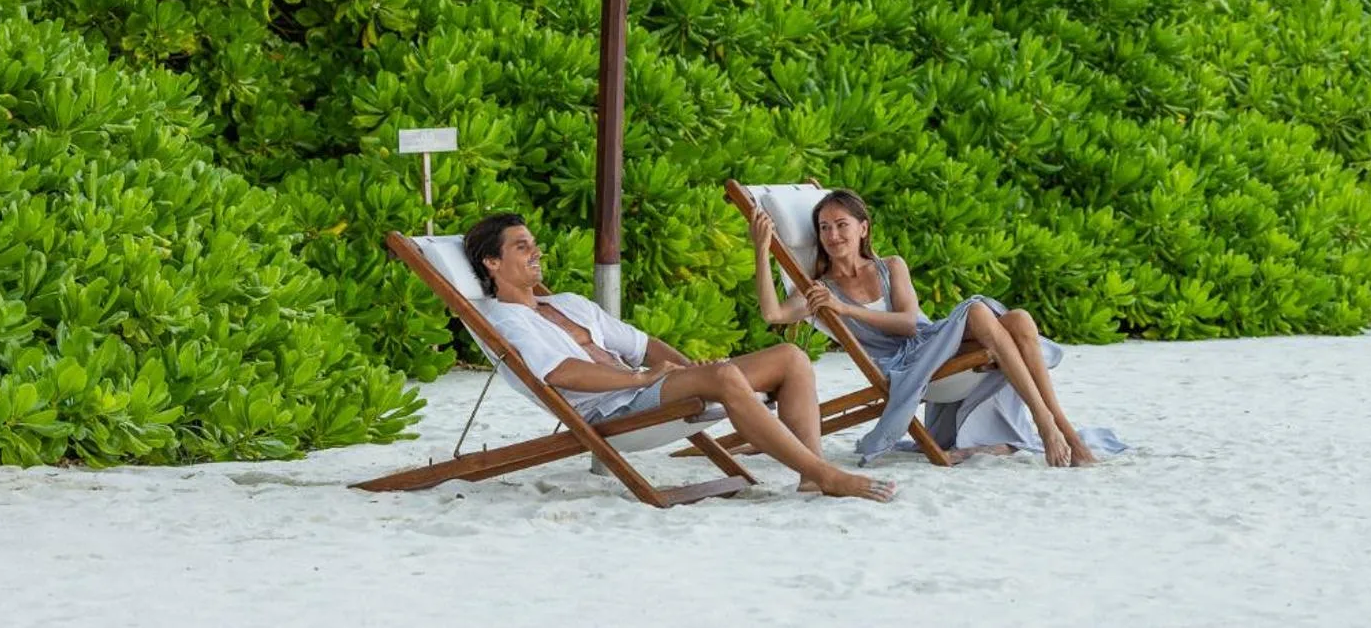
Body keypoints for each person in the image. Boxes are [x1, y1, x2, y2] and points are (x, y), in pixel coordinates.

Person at [463, 212, 894, 502]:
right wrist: (640, 379)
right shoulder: (507, 320)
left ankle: (810, 475)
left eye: (533, 244)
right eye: (522, 247)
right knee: (724, 378)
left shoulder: (568, 303)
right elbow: (561, 372)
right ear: (492, 262)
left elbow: (643, 345)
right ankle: (826, 474)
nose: (536, 252)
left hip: (644, 390)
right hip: (612, 409)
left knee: (791, 357)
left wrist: (690, 372)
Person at [751, 190, 1123, 468]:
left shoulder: (890, 266)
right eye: (824, 228)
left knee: (1020, 319)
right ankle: (1047, 425)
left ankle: (1062, 429)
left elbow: (909, 323)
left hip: (928, 343)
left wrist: (846, 310)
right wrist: (761, 250)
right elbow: (772, 313)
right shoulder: (821, 291)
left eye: (841, 225)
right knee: (977, 311)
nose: (833, 235)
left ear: (863, 228)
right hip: (903, 365)